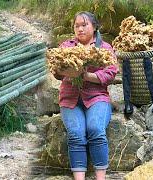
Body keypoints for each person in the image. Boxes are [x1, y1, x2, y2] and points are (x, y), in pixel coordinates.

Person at [53, 11, 118, 180]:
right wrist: (66, 71)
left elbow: (111, 74)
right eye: (77, 26)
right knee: (75, 133)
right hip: (70, 99)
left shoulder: (104, 48)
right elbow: (56, 72)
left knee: (95, 129)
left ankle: (100, 178)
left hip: (97, 98)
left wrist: (87, 76)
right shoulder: (66, 47)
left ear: (94, 26)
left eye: (84, 25)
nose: (80, 29)